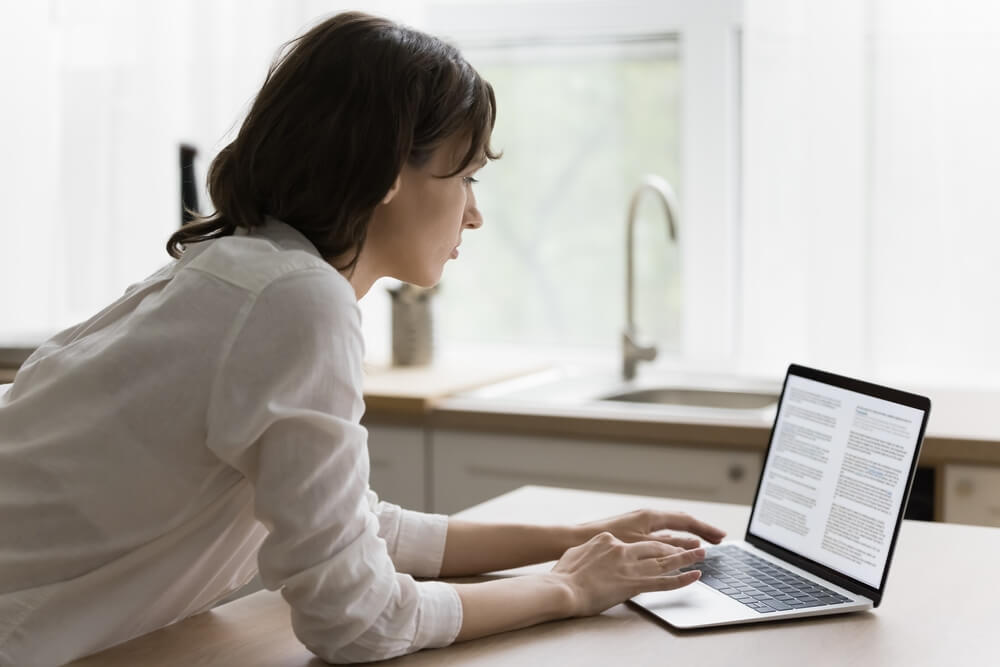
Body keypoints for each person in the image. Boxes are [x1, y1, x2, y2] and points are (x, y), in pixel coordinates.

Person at [0, 11, 725, 665]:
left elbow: (358, 528)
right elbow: (358, 618)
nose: (474, 215)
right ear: (386, 172)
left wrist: (577, 537)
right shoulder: (296, 300)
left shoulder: (245, 270)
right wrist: (565, 588)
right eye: (466, 176)